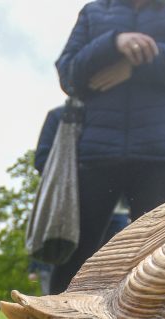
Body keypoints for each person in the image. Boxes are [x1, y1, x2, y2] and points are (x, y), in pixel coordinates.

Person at [51, 0, 165, 293]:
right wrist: (114, 42)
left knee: (163, 258)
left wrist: (136, 66)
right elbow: (68, 72)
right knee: (75, 257)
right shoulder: (94, 11)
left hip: (160, 151)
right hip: (96, 152)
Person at [32, 104, 129, 294]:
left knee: (111, 275)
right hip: (72, 212)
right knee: (69, 269)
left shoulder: (124, 111)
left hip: (117, 212)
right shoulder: (59, 116)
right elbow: (43, 160)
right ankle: (55, 318)